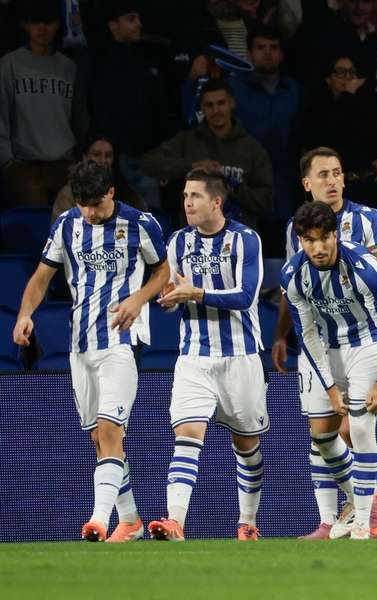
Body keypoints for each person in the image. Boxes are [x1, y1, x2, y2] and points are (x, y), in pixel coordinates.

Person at [12, 160, 169, 542]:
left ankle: (97, 520)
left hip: (122, 340)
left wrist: (139, 299)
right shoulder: (66, 224)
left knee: (111, 429)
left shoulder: (140, 224)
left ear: (111, 193)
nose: (90, 212)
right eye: (83, 204)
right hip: (80, 344)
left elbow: (163, 270)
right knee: (97, 438)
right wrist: (24, 315)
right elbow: (41, 276)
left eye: (95, 204)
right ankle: (129, 521)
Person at [272, 146, 377, 539]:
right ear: (307, 183)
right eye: (322, 174)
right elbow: (300, 312)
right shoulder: (296, 243)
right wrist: (281, 336)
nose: (331, 180)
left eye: (337, 172)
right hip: (322, 344)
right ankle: (345, 511)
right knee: (322, 435)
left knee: (358, 429)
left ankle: (361, 516)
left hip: (366, 338)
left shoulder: (366, 225)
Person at [147, 168, 267, 542]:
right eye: (185, 195)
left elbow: (245, 296)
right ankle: (175, 522)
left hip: (241, 357)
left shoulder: (246, 240)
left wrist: (194, 293)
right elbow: (172, 293)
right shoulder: (178, 242)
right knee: (187, 435)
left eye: (195, 196)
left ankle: (247, 522)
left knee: (246, 445)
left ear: (217, 201)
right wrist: (167, 298)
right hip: (194, 357)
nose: (187, 202)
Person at [141, 78, 273, 231]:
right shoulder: (187, 141)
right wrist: (191, 166)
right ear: (201, 108)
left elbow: (266, 201)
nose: (216, 110)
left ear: (232, 103)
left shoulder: (252, 148)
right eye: (209, 105)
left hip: (239, 238)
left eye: (221, 103)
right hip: (194, 239)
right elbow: (148, 163)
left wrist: (233, 187)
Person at [0, 0, 89, 207]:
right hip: (24, 164)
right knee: (34, 229)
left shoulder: (69, 67)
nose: (42, 28)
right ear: (26, 26)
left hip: (65, 162)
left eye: (47, 22)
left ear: (57, 25)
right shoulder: (9, 64)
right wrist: (8, 163)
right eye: (35, 23)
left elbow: (79, 117)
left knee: (72, 227)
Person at [81, 1, 168, 211]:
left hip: (147, 157)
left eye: (138, 19)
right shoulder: (97, 61)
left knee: (149, 218)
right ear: (113, 25)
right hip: (111, 159)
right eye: (131, 19)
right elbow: (90, 107)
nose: (138, 24)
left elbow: (160, 108)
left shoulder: (150, 57)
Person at [229, 24, 303, 242]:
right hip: (247, 185)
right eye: (261, 47)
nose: (268, 52)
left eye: (273, 47)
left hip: (288, 183)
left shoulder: (295, 90)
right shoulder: (233, 88)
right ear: (250, 53)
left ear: (281, 53)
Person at [300, 55, 377, 205]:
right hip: (332, 187)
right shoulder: (316, 108)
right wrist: (348, 95)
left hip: (365, 186)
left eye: (351, 72)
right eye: (341, 72)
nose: (347, 77)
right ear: (328, 79)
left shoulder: (365, 103)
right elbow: (334, 136)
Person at [53, 134, 145, 219]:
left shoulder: (128, 193)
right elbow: (62, 232)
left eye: (108, 156)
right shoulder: (69, 194)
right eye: (96, 154)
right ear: (85, 157)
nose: (103, 160)